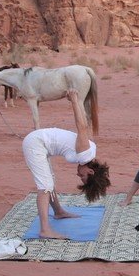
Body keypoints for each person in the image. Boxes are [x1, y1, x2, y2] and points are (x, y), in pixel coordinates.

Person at [22, 89, 110, 239]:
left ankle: (58, 212)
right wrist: (75, 101)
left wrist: (77, 102)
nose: (78, 174)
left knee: (49, 181)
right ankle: (45, 230)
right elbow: (82, 126)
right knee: (45, 186)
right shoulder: (85, 154)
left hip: (40, 144)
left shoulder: (88, 154)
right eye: (82, 176)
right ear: (91, 172)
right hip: (35, 144)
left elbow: (83, 128)